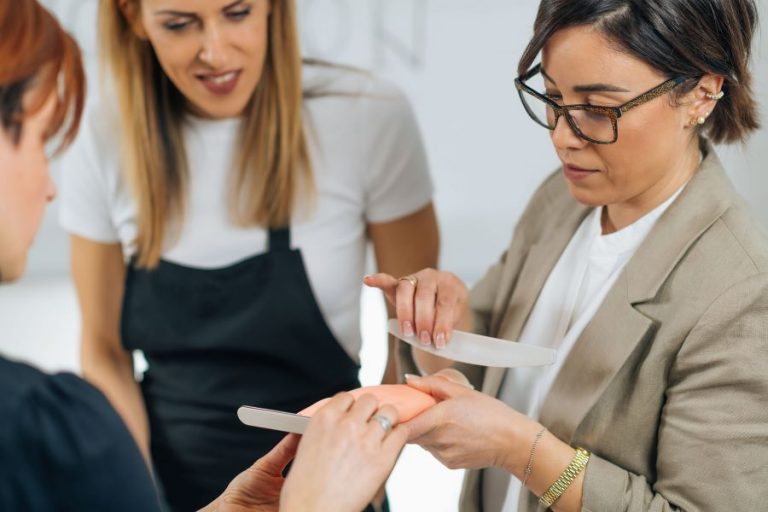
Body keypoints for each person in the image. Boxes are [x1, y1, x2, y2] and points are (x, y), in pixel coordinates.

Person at [0, 1, 409, 511]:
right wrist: (137, 493)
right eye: (178, 24)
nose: (214, 52)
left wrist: (361, 480)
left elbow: (414, 343)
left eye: (236, 13)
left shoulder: (365, 116)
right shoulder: (39, 420)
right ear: (133, 17)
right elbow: (104, 350)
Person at [367, 0, 768, 510]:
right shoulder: (562, 200)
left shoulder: (743, 294)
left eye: (598, 109)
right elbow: (483, 357)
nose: (561, 137)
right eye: (553, 97)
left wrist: (520, 450)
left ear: (701, 94)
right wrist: (442, 321)